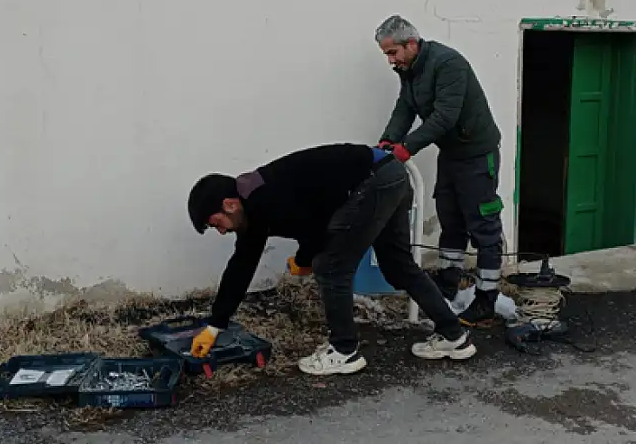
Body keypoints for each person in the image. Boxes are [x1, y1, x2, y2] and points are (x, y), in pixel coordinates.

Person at [186, 142, 477, 376]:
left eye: (217, 223)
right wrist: (215, 326)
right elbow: (243, 264)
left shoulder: (264, 200)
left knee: (331, 266)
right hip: (390, 174)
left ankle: (344, 351)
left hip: (373, 181)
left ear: (229, 204)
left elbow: (316, 229)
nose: (221, 231)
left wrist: (306, 258)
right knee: (397, 266)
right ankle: (453, 336)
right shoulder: (253, 205)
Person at [374, 15, 504, 327]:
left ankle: (487, 297)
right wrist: (387, 141)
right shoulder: (410, 70)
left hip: (476, 155)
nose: (390, 61)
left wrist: (407, 148)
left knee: (483, 225)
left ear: (412, 44)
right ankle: (447, 284)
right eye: (386, 55)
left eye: (393, 53)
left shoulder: (449, 64)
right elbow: (405, 108)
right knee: (451, 220)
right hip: (452, 155)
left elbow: (445, 115)